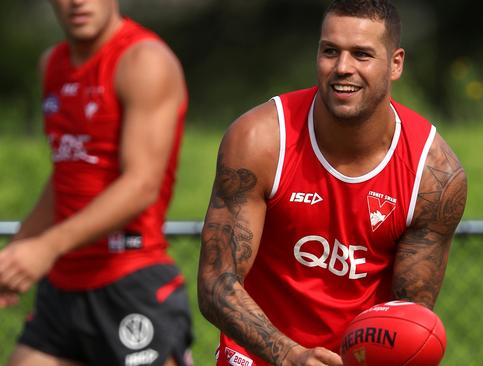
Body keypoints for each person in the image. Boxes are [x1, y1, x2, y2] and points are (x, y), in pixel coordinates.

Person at [197, 0, 467, 365]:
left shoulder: (433, 174)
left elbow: (405, 317)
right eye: (330, 51)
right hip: (259, 356)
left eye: (361, 54)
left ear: (396, 64)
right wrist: (290, 356)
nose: (343, 68)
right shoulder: (260, 139)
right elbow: (216, 282)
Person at [0, 0, 193, 365]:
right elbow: (68, 174)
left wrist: (46, 247)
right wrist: (19, 250)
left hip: (129, 276)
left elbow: (141, 186)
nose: (77, 1)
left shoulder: (144, 60)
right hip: (63, 285)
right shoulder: (52, 64)